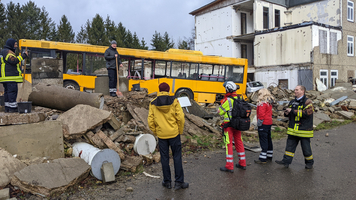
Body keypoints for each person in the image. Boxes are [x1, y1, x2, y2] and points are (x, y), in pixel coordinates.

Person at [148, 82, 189, 190]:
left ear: (159, 90)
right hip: (174, 134)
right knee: (177, 157)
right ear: (168, 89)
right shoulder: (174, 101)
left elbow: (150, 121)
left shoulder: (153, 103)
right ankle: (179, 182)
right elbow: (180, 118)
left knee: (165, 158)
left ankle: (167, 182)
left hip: (162, 135)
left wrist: (156, 132)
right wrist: (179, 131)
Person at [275, 85, 314, 169]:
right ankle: (286, 162)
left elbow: (308, 113)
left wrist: (293, 111)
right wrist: (286, 112)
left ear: (302, 91)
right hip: (293, 130)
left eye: (297, 90)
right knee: (289, 147)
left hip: (304, 130)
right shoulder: (292, 101)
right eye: (295, 90)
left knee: (306, 148)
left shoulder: (308, 102)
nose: (295, 91)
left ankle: (309, 162)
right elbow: (289, 113)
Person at [218, 81, 247, 173]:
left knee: (228, 143)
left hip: (228, 125)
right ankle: (242, 163)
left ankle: (229, 166)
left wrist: (221, 103)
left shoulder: (228, 100)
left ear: (227, 89)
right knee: (239, 142)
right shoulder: (239, 98)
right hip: (238, 125)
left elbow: (220, 112)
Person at [0, 38, 27, 113]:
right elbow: (13, 61)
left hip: (5, 77)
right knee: (12, 92)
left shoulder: (3, 52)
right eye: (15, 44)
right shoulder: (8, 52)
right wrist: (23, 56)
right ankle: (12, 108)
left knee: (7, 92)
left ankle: (7, 108)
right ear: (11, 44)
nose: (16, 46)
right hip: (10, 77)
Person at [254, 88, 274, 164]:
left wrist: (259, 123)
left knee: (263, 140)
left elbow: (261, 115)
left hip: (263, 123)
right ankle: (269, 155)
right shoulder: (269, 103)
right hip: (269, 122)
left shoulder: (262, 104)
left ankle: (263, 158)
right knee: (268, 139)